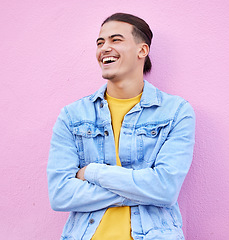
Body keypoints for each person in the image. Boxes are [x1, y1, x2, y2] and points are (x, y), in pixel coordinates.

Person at [47, 12, 195, 240]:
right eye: (100, 42)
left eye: (116, 40)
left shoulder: (176, 112)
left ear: (142, 50)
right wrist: (144, 188)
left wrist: (92, 172)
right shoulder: (72, 115)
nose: (104, 47)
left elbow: (165, 189)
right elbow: (60, 195)